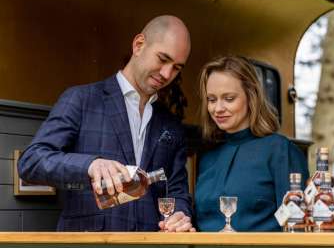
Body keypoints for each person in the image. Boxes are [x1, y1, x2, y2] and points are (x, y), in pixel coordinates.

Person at [18, 15, 195, 232]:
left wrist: (180, 215)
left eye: (177, 67)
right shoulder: (81, 99)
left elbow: (177, 191)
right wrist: (91, 165)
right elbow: (31, 161)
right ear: (138, 45)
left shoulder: (171, 124)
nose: (167, 74)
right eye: (162, 59)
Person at [195, 55, 309, 231]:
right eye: (212, 99)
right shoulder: (207, 157)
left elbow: (295, 226)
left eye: (229, 98)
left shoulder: (280, 151)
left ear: (251, 96)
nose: (218, 108)